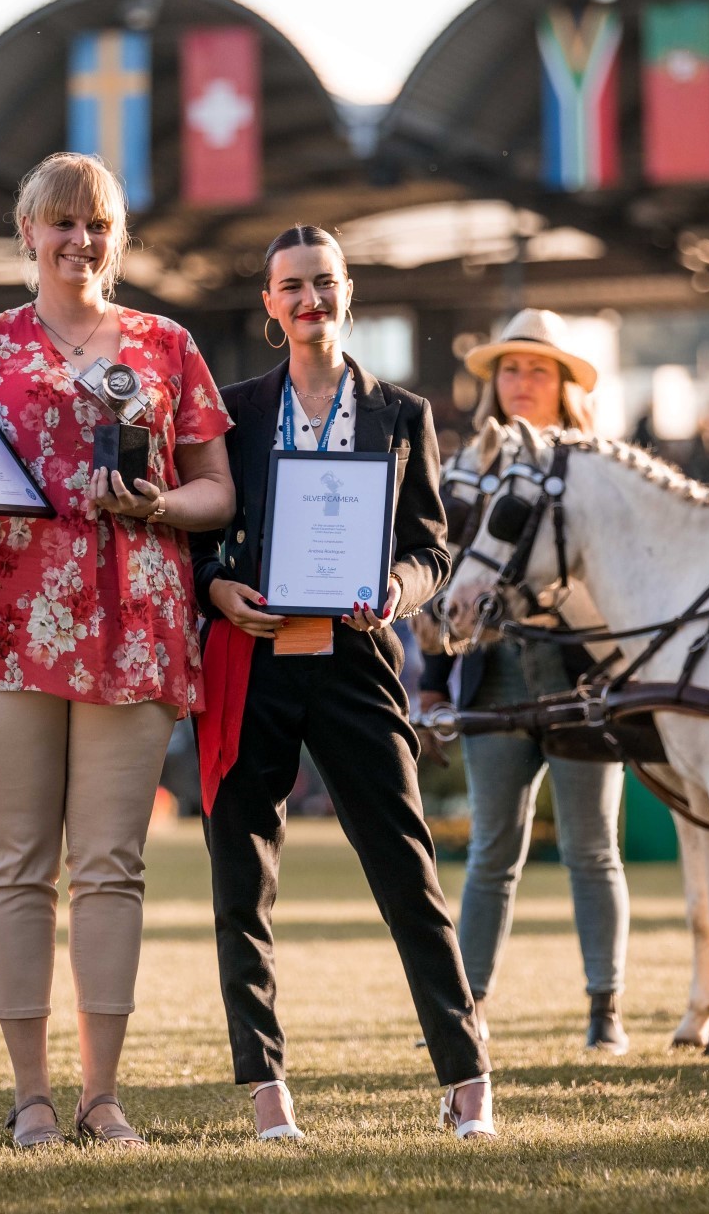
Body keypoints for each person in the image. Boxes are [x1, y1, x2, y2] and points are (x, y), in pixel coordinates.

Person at [0, 153, 233, 1148]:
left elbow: (218, 490)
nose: (79, 240)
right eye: (62, 222)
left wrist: (161, 503)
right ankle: (32, 1096)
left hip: (136, 623)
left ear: (116, 237)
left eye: (97, 224)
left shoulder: (167, 346)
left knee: (112, 866)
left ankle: (102, 1095)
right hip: (3, 625)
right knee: (16, 865)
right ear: (28, 231)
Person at [192, 224, 494, 1142]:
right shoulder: (233, 409)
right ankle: (266, 1089)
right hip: (254, 655)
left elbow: (432, 547)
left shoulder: (402, 413)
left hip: (357, 661)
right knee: (242, 876)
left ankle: (469, 1075)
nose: (308, 300)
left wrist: (398, 590)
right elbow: (201, 532)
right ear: (269, 303)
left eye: (323, 283)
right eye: (292, 286)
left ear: (347, 291)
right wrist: (215, 587)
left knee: (406, 868)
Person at [416, 310, 630, 1053]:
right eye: (510, 368)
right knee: (490, 854)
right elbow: (445, 582)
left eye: (539, 369)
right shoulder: (464, 466)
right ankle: (467, 1011)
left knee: (591, 849)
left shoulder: (597, 464)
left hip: (581, 672)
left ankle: (605, 1010)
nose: (522, 381)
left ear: (566, 383)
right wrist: (435, 679)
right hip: (494, 671)